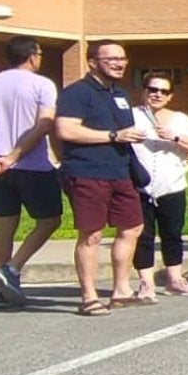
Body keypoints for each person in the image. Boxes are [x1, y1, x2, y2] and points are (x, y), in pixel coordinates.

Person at [54, 41, 147, 316]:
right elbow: (65, 130)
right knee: (92, 234)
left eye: (122, 58)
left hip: (120, 171)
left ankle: (121, 290)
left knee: (132, 228)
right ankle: (89, 297)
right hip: (87, 172)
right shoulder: (77, 93)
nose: (119, 63)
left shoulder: (119, 93)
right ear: (92, 62)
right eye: (111, 59)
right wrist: (112, 136)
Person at [0, 36, 61, 307]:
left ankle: (3, 284)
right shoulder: (42, 84)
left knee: (5, 225)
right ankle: (11, 269)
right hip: (32, 167)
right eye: (40, 53)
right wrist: (12, 157)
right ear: (32, 56)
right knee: (49, 220)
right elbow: (43, 125)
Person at [129, 72, 188, 300]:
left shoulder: (180, 119)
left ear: (170, 96)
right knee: (143, 236)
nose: (157, 94)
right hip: (140, 186)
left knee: (172, 233)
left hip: (172, 185)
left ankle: (175, 279)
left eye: (163, 91)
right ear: (144, 92)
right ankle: (146, 284)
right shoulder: (132, 116)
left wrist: (174, 137)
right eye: (152, 90)